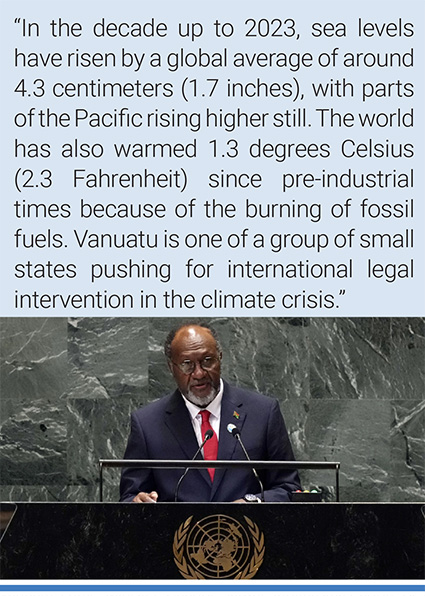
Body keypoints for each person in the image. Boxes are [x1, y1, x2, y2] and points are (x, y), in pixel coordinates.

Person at [120, 322, 301, 503]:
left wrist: (252, 502)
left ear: (220, 358)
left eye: (207, 361)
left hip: (247, 530)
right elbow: (129, 497)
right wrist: (139, 501)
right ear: (171, 367)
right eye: (187, 364)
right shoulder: (147, 424)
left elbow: (289, 488)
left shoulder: (263, 413)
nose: (199, 373)